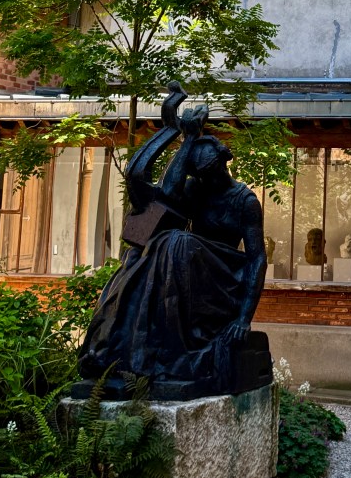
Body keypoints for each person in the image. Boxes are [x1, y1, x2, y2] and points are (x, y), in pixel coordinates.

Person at [78, 84, 269, 396]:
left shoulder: (245, 202)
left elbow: (257, 259)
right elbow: (167, 193)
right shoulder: (196, 189)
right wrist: (186, 137)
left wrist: (243, 319)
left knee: (176, 242)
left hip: (223, 278)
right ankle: (115, 351)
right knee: (139, 255)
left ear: (224, 163)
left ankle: (170, 354)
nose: (207, 180)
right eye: (201, 175)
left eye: (212, 172)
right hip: (189, 267)